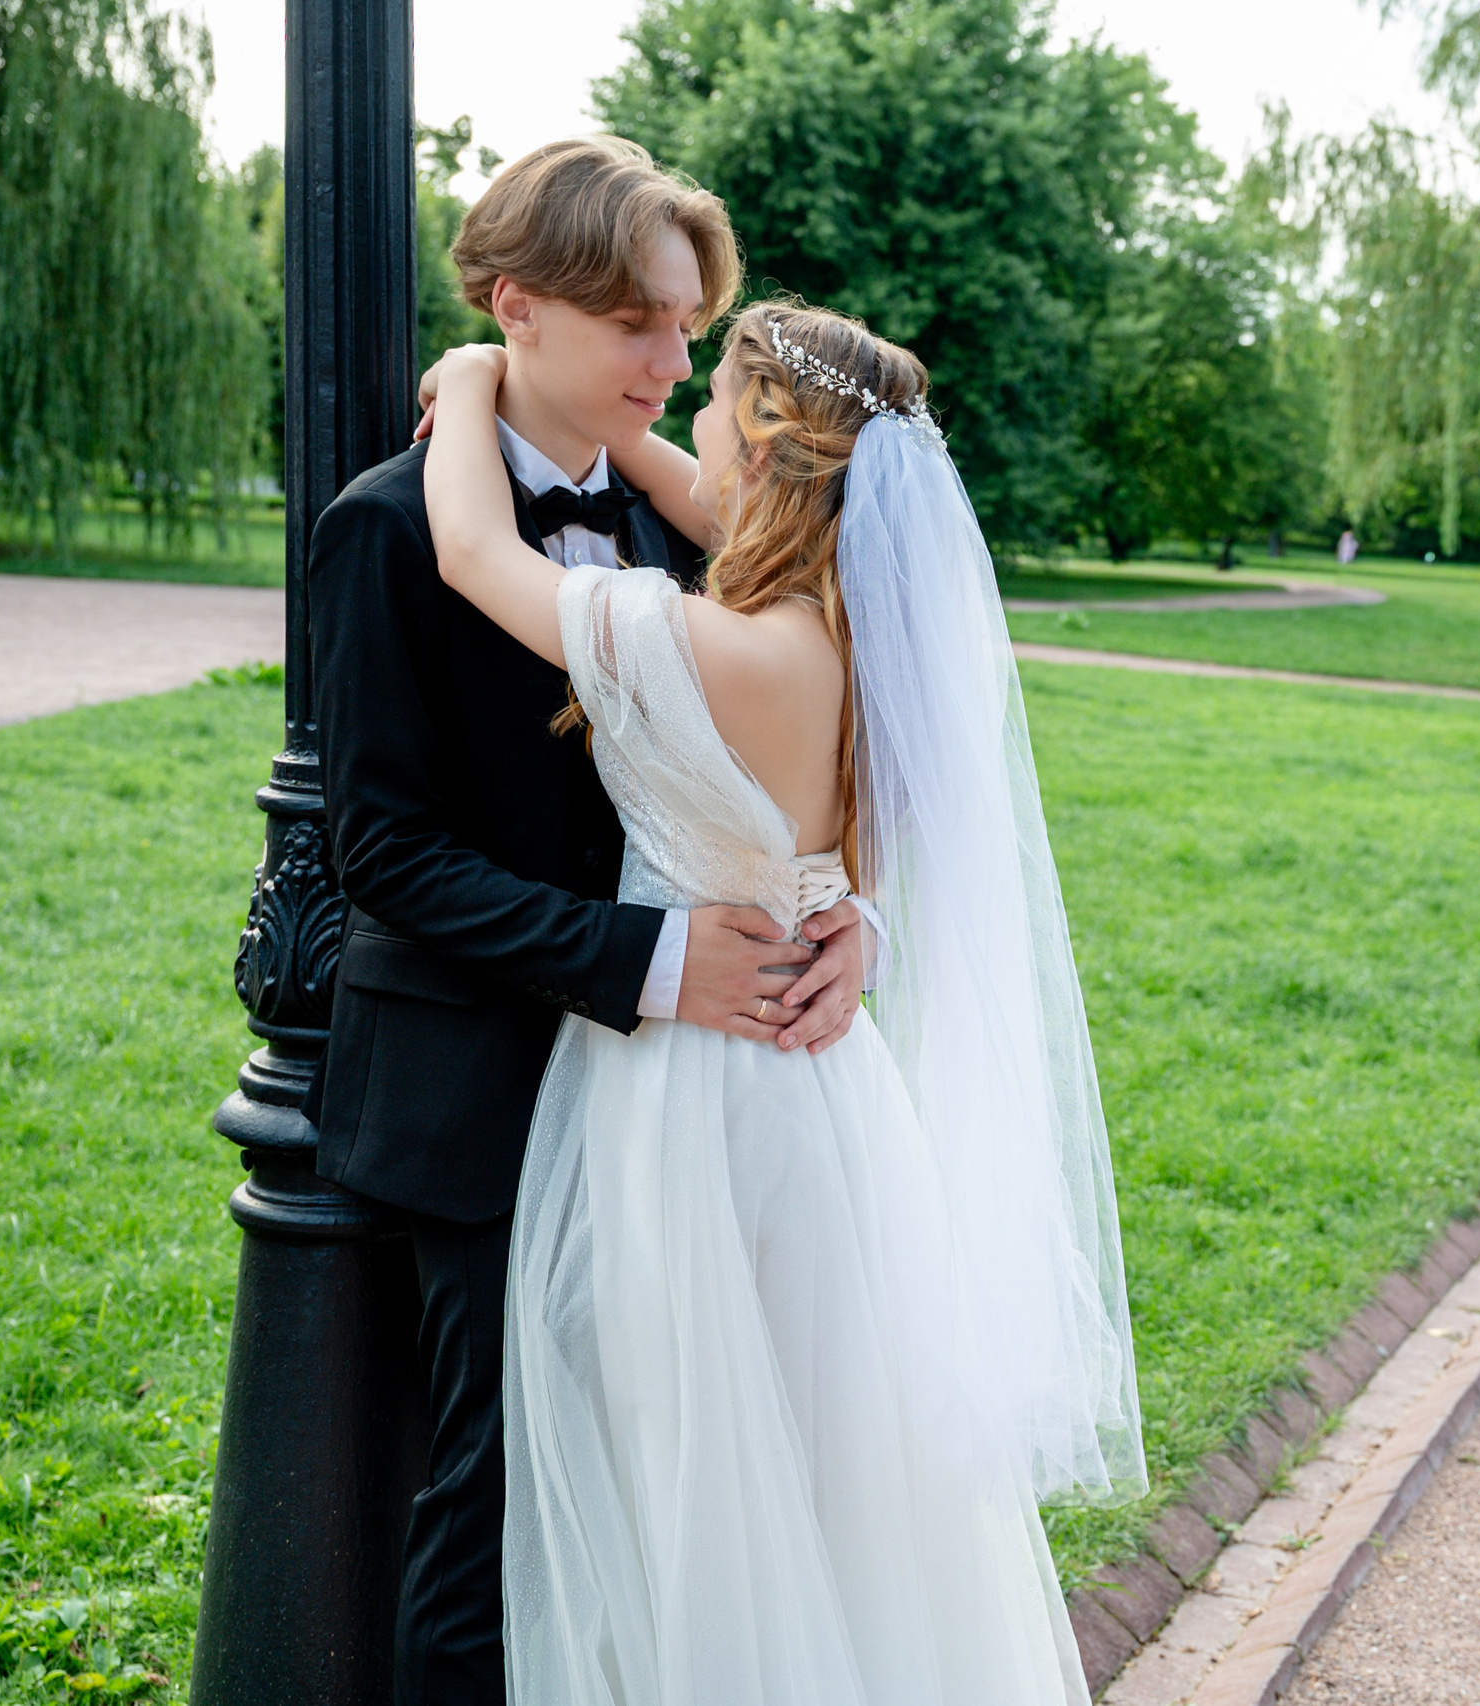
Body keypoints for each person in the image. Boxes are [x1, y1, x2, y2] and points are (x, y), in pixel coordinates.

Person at [420, 296, 1144, 1703]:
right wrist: (859, 923)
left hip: (691, 1099)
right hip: (824, 1094)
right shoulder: (850, 633)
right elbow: (697, 492)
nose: (680, 422)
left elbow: (468, 551)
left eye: (710, 405)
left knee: (691, 1474)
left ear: (760, 443)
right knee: (830, 1490)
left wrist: (470, 375)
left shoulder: (700, 644)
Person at [304, 137, 879, 1706]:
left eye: (688, 326)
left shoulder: (704, 524)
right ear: (517, 311)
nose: (673, 360)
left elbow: (805, 782)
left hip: (697, 1122)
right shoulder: (381, 530)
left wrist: (849, 924)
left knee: (687, 1498)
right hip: (483, 1098)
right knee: (500, 1518)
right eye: (639, 321)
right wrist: (647, 962)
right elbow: (383, 856)